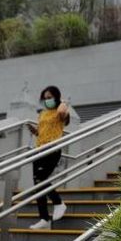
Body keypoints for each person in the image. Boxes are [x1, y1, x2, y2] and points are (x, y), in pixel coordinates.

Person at [26, 85, 69, 229]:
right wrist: (35, 131)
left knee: (42, 178)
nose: (47, 100)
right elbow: (41, 131)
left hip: (52, 149)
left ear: (56, 97)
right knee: (37, 182)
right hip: (39, 149)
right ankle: (44, 218)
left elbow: (63, 112)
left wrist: (62, 101)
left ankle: (59, 203)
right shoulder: (43, 113)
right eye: (45, 98)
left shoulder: (60, 111)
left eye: (49, 97)